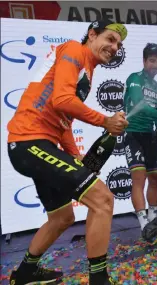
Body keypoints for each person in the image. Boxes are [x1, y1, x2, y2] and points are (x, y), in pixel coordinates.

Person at [8, 20, 129, 285]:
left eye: (118, 44)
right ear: (92, 34)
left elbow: (62, 120)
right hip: (30, 143)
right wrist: (105, 121)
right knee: (103, 200)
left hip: (39, 144)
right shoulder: (75, 50)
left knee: (63, 217)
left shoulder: (86, 68)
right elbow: (62, 100)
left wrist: (75, 156)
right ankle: (99, 280)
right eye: (110, 39)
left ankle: (25, 273)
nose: (114, 47)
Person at [123, 43, 157, 242]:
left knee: (155, 179)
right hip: (133, 134)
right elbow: (139, 104)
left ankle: (153, 216)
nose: (155, 64)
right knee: (139, 179)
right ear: (144, 61)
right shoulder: (134, 78)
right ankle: (144, 224)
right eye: (151, 60)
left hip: (149, 137)